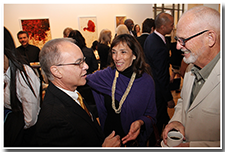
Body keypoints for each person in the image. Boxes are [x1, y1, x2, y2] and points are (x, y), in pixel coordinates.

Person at [34, 38, 120, 147]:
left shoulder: (71, 92)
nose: (86, 66)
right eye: (78, 63)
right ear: (56, 71)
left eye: (83, 60)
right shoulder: (54, 121)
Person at [163, 6, 220, 147]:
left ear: (210, 38)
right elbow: (183, 101)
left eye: (183, 39)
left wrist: (192, 146)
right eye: (177, 39)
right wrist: (177, 120)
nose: (177, 46)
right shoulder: (190, 68)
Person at [87, 34, 157, 146]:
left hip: (133, 141)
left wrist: (140, 122)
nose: (116, 57)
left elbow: (151, 114)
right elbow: (83, 80)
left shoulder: (146, 81)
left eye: (123, 52)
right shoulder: (107, 75)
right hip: (109, 139)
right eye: (114, 52)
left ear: (134, 55)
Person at [4, 27, 40, 146]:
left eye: (24, 37)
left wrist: (14, 127)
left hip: (21, 135)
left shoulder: (23, 74)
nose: (23, 40)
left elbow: (30, 118)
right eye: (21, 38)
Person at [144, 12, 175, 137]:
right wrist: (168, 98)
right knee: (158, 122)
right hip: (158, 91)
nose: (173, 27)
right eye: (171, 24)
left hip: (153, 87)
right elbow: (161, 75)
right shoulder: (158, 46)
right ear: (163, 27)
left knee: (160, 119)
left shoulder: (151, 38)